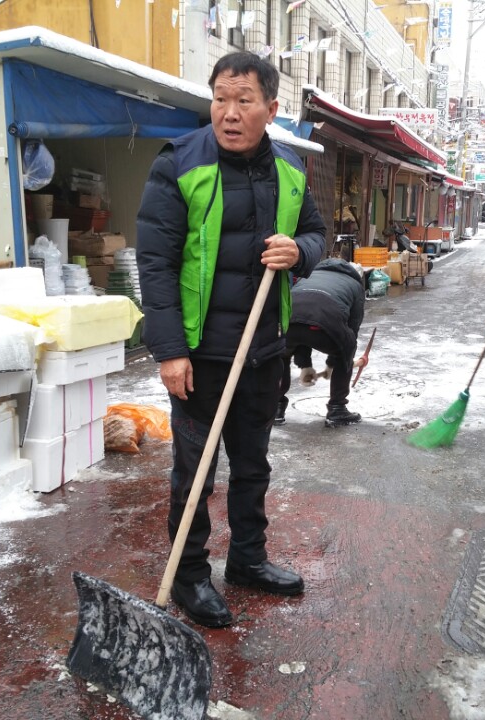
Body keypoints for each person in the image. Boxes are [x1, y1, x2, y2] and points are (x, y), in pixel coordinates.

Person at [136, 51, 327, 628]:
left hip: (263, 348)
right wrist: (169, 351)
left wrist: (300, 253)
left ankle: (247, 560)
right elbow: (156, 263)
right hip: (201, 355)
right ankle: (191, 574)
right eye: (220, 98)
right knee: (195, 472)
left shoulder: (290, 171)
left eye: (244, 100)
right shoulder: (179, 165)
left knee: (253, 464)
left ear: (271, 109)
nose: (229, 112)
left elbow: (317, 234)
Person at [274, 258, 366, 428]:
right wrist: (335, 363)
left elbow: (302, 320)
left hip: (290, 322)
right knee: (348, 345)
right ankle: (337, 409)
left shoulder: (308, 275)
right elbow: (352, 327)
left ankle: (275, 407)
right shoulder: (355, 284)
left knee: (282, 354)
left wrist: (305, 365)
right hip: (326, 324)